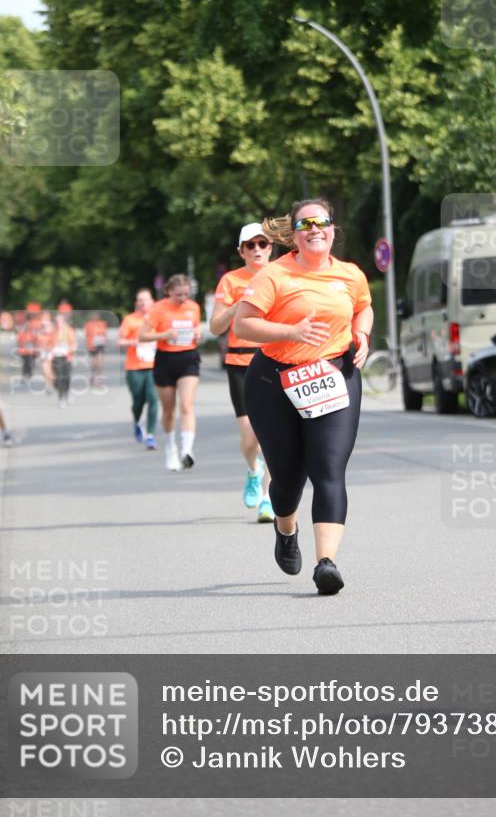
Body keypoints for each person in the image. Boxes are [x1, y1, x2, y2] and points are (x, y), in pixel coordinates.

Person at [234, 198, 373, 595]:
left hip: (334, 376)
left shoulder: (350, 275)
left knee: (328, 469)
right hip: (273, 382)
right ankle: (285, 527)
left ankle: (326, 562)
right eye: (305, 223)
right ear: (293, 234)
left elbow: (364, 308)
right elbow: (245, 325)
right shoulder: (274, 275)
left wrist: (361, 334)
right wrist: (291, 333)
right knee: (288, 479)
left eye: (322, 221)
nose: (315, 228)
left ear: (332, 229)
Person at [210, 223, 274, 522]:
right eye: (250, 245)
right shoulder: (230, 280)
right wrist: (239, 306)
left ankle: (268, 498)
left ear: (270, 248)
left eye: (262, 244)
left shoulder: (282, 276)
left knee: (274, 435)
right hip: (240, 363)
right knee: (250, 437)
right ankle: (253, 470)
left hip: (275, 360)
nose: (257, 250)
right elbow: (215, 327)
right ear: (242, 251)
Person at [139, 274, 201, 471]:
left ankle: (187, 451)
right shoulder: (158, 309)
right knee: (168, 411)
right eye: (178, 295)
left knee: (186, 406)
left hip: (188, 358)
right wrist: (164, 335)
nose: (182, 298)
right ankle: (171, 448)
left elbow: (195, 328)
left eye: (186, 294)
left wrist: (197, 333)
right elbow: (142, 335)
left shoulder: (193, 307)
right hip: (165, 360)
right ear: (169, 292)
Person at [118, 289, 158, 449]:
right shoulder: (130, 320)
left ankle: (150, 435)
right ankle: (137, 421)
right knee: (138, 401)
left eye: (146, 300)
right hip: (134, 367)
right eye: (140, 301)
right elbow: (120, 341)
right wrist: (134, 342)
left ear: (152, 302)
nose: (143, 303)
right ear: (136, 303)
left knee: (153, 399)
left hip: (154, 366)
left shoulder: (157, 319)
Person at [50, 312, 77, 407]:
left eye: (60, 320)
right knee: (59, 378)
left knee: (67, 377)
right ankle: (61, 398)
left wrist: (68, 350)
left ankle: (67, 393)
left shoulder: (69, 330)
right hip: (56, 358)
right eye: (57, 321)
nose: (58, 323)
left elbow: (74, 345)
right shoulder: (53, 332)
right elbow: (49, 344)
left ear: (64, 321)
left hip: (67, 357)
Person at [84, 312, 109, 385]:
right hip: (92, 346)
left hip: (100, 345)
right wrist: (88, 345)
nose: (95, 318)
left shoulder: (103, 324)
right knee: (94, 363)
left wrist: (105, 341)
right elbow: (86, 336)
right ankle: (93, 375)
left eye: (96, 316)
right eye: (93, 316)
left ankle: (98, 379)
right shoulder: (88, 324)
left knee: (100, 363)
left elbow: (105, 334)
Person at [16, 314, 38, 380]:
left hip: (31, 348)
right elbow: (19, 339)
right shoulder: (23, 328)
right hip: (24, 348)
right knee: (26, 361)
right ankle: (25, 373)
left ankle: (29, 373)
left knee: (30, 361)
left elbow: (36, 339)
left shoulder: (33, 328)